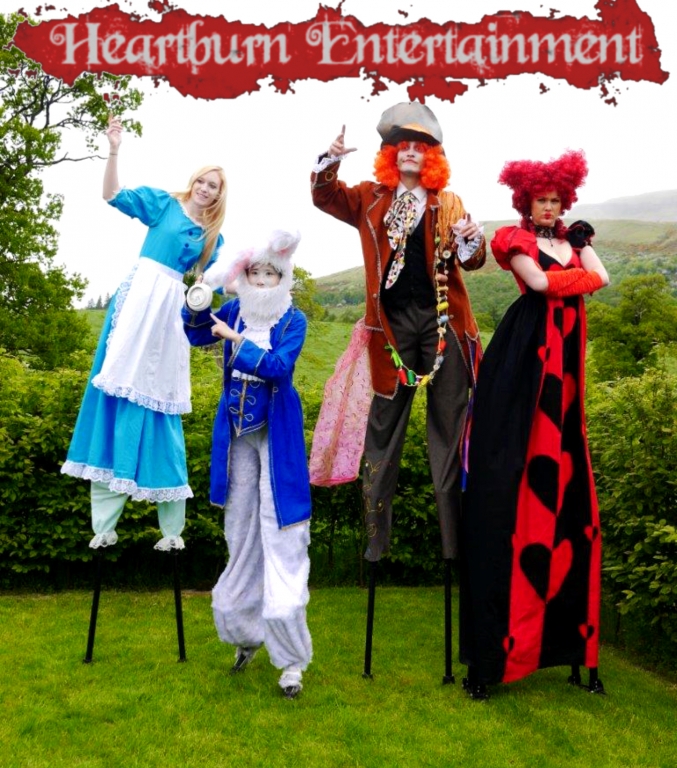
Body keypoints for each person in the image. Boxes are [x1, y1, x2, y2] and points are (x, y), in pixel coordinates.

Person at [459, 150, 609, 699]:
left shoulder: (573, 242)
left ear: (565, 202)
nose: (548, 207)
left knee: (571, 485)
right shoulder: (514, 240)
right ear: (526, 201)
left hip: (564, 371)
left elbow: (603, 276)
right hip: (526, 360)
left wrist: (581, 252)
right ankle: (495, 655)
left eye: (555, 200)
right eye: (541, 199)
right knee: (510, 478)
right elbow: (542, 286)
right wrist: (580, 275)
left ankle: (568, 648)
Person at [311, 102, 485, 565]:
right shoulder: (369, 197)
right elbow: (325, 197)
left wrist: (472, 238)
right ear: (391, 154)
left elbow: (472, 261)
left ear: (432, 157)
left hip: (444, 324)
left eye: (420, 146)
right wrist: (329, 161)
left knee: (449, 430)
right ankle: (375, 545)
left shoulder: (449, 203)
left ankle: (453, 549)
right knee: (382, 430)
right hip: (390, 328)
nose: (411, 151)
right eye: (403, 145)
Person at [61, 116, 226, 551]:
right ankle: (104, 524)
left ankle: (171, 530)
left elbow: (216, 281)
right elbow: (111, 194)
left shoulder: (213, 237)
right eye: (202, 181)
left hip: (170, 312)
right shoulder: (163, 205)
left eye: (213, 186)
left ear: (219, 196)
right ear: (193, 181)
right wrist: (114, 149)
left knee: (159, 397)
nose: (205, 189)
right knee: (115, 389)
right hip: (137, 302)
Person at [183, 230, 312, 700]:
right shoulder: (236, 309)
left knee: (281, 533)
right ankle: (245, 634)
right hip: (236, 434)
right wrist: (198, 298)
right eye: (253, 272)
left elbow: (279, 367)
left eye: (268, 274)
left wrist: (236, 340)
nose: (259, 280)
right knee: (239, 530)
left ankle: (291, 661)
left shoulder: (293, 319)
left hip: (277, 435)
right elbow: (197, 332)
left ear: (282, 278)